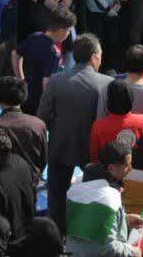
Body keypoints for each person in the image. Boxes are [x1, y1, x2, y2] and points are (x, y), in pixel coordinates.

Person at [38, 33, 111, 226]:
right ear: (94, 57)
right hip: (92, 150)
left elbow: (42, 117)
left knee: (56, 197)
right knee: (96, 193)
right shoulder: (106, 83)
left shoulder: (56, 80)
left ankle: (56, 232)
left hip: (60, 145)